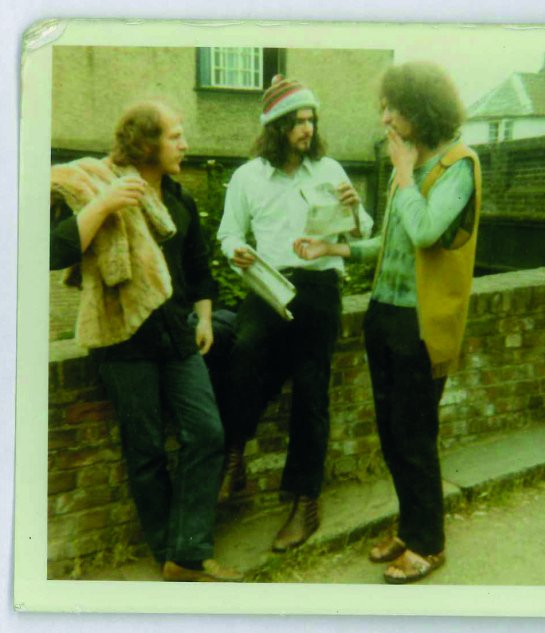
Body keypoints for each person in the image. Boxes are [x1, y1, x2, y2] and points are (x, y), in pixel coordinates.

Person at [293, 61, 482, 584]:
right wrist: (334, 246)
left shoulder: (457, 166)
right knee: (393, 434)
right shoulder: (410, 166)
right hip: (384, 315)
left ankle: (429, 543)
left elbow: (424, 233)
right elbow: (391, 245)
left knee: (415, 434)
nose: (384, 122)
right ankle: (410, 526)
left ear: (419, 109)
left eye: (391, 110)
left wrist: (403, 176)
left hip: (423, 323)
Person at [50, 101, 243, 582]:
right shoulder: (97, 183)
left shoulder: (179, 198)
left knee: (208, 433)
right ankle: (173, 557)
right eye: (175, 136)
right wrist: (106, 204)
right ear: (146, 144)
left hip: (177, 333)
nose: (185, 144)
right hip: (122, 339)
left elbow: (199, 270)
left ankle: (186, 549)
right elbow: (54, 251)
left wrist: (203, 317)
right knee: (147, 451)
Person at [217, 76, 373, 552]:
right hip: (268, 285)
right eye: (297, 121)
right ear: (277, 127)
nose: (307, 129)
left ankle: (305, 502)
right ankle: (233, 460)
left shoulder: (329, 169)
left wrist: (356, 206)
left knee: (311, 394)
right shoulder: (247, 177)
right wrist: (238, 251)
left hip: (319, 288)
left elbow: (361, 233)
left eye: (311, 120)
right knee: (242, 358)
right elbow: (227, 235)